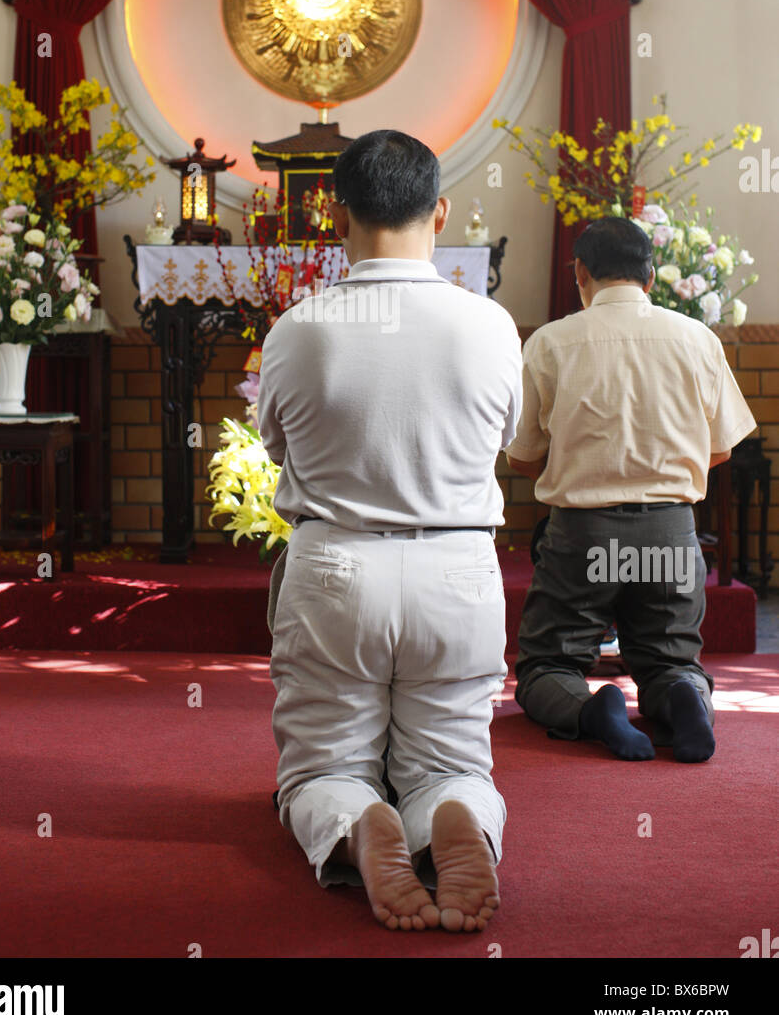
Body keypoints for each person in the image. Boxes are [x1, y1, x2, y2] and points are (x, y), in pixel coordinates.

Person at [257, 129, 522, 932]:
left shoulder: (299, 329)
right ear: (440, 211)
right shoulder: (490, 325)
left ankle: (352, 818)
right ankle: (452, 816)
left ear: (335, 212)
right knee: (451, 753)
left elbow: (278, 445)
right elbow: (505, 439)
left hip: (337, 564)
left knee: (325, 761)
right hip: (460, 569)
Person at [506, 215, 756, 763]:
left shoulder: (550, 343)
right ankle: (684, 700)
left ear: (580, 272)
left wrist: (577, 470)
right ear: (649, 277)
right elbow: (721, 450)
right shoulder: (697, 338)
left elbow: (522, 456)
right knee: (671, 662)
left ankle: (593, 710)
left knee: (548, 665)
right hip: (669, 531)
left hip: (583, 536)